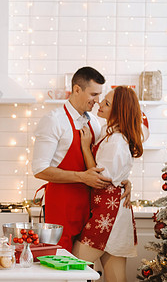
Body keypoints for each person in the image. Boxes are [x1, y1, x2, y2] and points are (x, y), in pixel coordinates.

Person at [32, 66, 131, 253]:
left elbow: (104, 164)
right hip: (61, 206)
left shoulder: (94, 122)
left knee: (84, 269)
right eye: (93, 94)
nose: (98, 101)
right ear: (77, 89)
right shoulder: (53, 120)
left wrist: (124, 180)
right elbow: (39, 169)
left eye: (100, 95)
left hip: (89, 207)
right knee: (60, 262)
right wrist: (82, 177)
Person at [73, 86, 142, 282]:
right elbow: (115, 173)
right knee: (116, 276)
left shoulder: (116, 140)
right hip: (111, 212)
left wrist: (85, 147)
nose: (99, 103)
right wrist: (125, 181)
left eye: (107, 103)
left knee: (74, 264)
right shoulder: (108, 133)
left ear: (118, 111)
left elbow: (100, 178)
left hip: (108, 216)